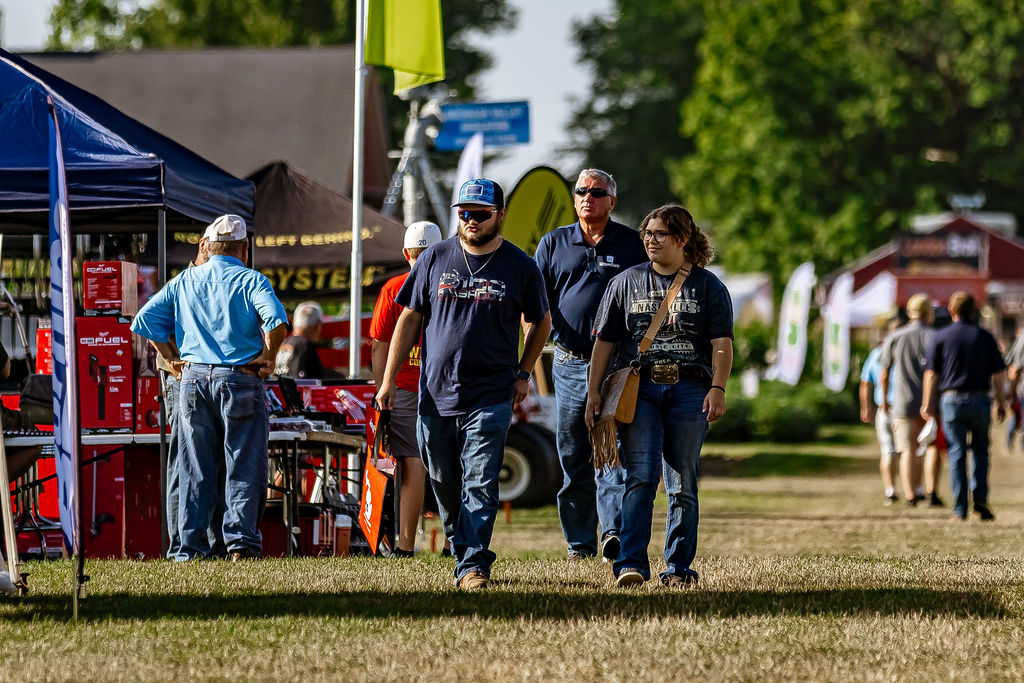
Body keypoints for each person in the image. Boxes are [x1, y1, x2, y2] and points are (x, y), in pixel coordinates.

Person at [376, 179, 551, 591]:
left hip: (491, 394)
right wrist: (387, 381)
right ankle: (461, 545)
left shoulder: (520, 266)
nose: (470, 220)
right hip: (435, 394)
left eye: (480, 213)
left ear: (500, 214)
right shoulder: (434, 258)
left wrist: (524, 373)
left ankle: (473, 564)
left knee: (480, 478)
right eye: (464, 213)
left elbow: (541, 322)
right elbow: (408, 320)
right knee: (441, 478)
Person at [586, 204, 733, 589]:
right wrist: (593, 392)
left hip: (690, 390)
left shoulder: (709, 286)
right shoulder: (625, 282)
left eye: (659, 234)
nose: (650, 240)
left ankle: (678, 568)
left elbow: (721, 343)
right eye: (647, 233)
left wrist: (718, 388)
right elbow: (605, 342)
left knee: (683, 481)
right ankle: (631, 563)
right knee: (642, 476)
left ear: (682, 239)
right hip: (641, 391)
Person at [132, 214, 288, 560]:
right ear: (244, 249)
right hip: (239, 379)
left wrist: (172, 359)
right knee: (243, 463)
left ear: (208, 246)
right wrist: (269, 356)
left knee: (193, 467)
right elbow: (276, 322)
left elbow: (144, 321)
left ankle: (189, 550)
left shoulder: (184, 279)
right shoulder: (252, 280)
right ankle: (240, 545)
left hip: (192, 380)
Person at [534, 169, 647, 562]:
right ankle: (579, 543)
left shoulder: (633, 244)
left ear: (611, 201)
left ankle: (612, 532)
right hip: (568, 363)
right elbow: (536, 304)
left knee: (610, 449)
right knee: (573, 453)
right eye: (581, 191)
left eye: (597, 192)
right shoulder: (553, 243)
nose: (588, 197)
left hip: (618, 366)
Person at [369, 220, 443, 557]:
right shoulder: (452, 286)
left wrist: (384, 385)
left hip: (405, 387)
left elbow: (379, 345)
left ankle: (404, 544)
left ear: (405, 254)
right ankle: (454, 539)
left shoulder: (394, 287)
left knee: (409, 460)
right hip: (447, 385)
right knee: (446, 461)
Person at [921, 291, 1007, 521]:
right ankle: (980, 498)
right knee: (980, 450)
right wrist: (1000, 401)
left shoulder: (940, 336)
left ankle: (960, 508)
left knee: (957, 453)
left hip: (951, 400)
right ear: (974, 310)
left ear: (951, 310)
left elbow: (931, 373)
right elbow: (999, 373)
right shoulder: (985, 336)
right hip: (979, 399)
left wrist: (927, 403)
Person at [154, 236, 212, 560]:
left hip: (196, 379)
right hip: (182, 380)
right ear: (203, 245)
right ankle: (180, 546)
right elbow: (150, 325)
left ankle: (192, 543)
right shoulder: (183, 283)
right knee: (183, 462)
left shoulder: (205, 282)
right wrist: (175, 363)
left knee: (199, 461)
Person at [878, 294, 936, 507]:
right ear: (928, 313)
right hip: (930, 401)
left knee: (907, 449)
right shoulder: (934, 336)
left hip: (902, 401)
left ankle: (910, 495)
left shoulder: (895, 337)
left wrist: (884, 400)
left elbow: (884, 372)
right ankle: (931, 490)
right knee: (929, 447)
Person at [859, 344, 899, 505]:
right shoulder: (904, 352)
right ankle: (915, 490)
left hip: (883, 408)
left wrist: (865, 407)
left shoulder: (875, 354)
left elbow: (865, 383)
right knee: (908, 452)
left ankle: (890, 489)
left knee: (887, 451)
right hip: (904, 409)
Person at [275, 301, 328, 379]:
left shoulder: (283, 345)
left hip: (276, 390)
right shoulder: (305, 346)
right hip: (294, 390)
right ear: (318, 325)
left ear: (294, 322)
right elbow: (307, 383)